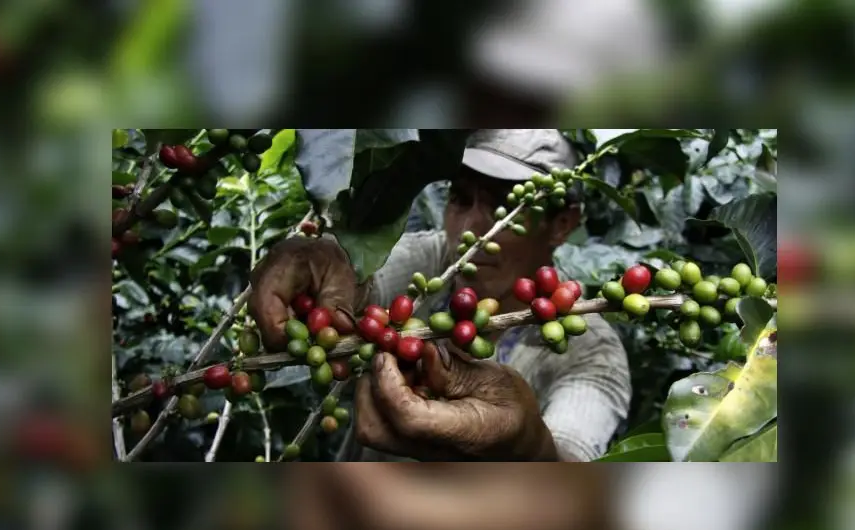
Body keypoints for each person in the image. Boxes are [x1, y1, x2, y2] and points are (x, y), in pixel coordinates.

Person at [249, 129, 632, 462]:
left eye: (506, 206)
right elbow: (360, 278)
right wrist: (329, 261)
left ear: (562, 224)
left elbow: (569, 469)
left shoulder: (592, 353)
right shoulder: (436, 261)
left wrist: (529, 449)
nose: (471, 228)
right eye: (460, 198)